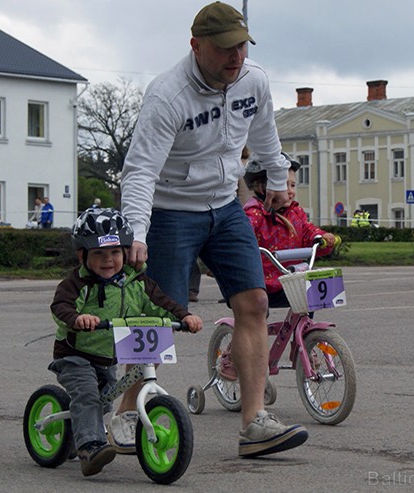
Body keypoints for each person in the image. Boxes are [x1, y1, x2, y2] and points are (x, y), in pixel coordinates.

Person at [120, 1, 308, 458]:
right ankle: (126, 412)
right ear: (196, 46)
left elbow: (266, 137)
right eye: (224, 48)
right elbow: (140, 170)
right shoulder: (167, 95)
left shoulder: (253, 80)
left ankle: (254, 422)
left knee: (256, 302)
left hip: (226, 206)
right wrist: (136, 233)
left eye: (241, 46)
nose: (235, 57)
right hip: (170, 212)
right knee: (154, 318)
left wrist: (278, 185)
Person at [49, 208, 202, 476]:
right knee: (87, 396)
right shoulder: (77, 283)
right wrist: (77, 318)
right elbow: (60, 306)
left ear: (126, 252)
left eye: (115, 253)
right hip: (75, 354)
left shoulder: (136, 281)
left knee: (103, 401)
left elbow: (160, 304)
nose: (108, 261)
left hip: (107, 357)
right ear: (82, 255)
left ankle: (79, 434)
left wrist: (184, 316)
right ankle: (91, 448)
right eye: (98, 254)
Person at [243, 154, 337, 308]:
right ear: (261, 187)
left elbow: (308, 231)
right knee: (257, 313)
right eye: (283, 184)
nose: (290, 191)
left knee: (311, 295)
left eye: (293, 185)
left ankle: (304, 329)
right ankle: (256, 330)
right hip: (261, 284)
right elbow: (241, 235)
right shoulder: (255, 214)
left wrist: (321, 238)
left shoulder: (296, 214)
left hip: (290, 280)